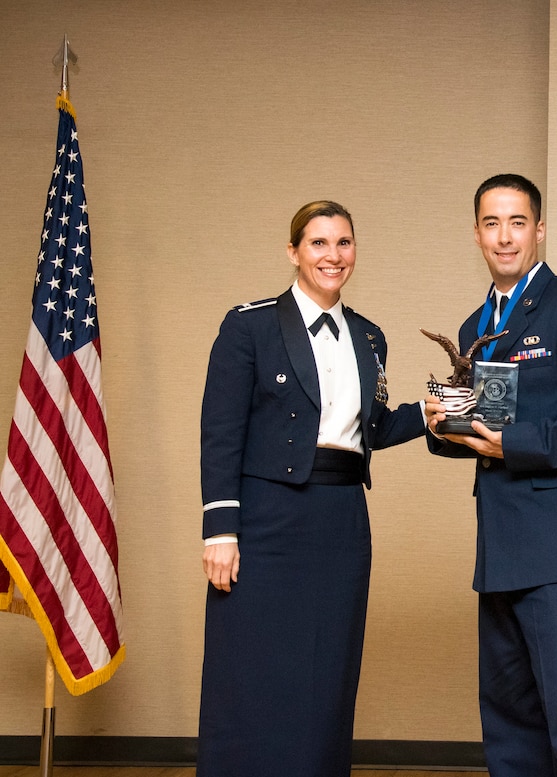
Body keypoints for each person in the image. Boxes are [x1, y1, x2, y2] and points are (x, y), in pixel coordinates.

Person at [197, 200, 426, 777]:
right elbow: (220, 431)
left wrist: (430, 413)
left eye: (343, 242)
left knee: (329, 671)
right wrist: (220, 530)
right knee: (249, 667)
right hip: (267, 518)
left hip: (342, 519)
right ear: (293, 251)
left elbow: (371, 429)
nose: (333, 255)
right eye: (318, 243)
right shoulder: (248, 325)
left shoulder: (370, 336)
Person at [424, 174, 557, 777]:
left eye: (517, 222)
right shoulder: (475, 327)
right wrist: (445, 427)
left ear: (539, 230)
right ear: (476, 234)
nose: (505, 236)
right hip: (501, 545)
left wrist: (512, 443)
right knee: (510, 727)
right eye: (492, 223)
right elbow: (488, 431)